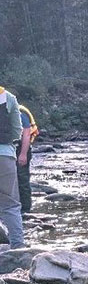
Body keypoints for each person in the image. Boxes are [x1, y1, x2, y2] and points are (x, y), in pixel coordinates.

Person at [0, 86, 26, 249]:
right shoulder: (8, 97)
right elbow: (17, 131)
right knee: (10, 204)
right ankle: (18, 249)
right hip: (5, 156)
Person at [16, 103, 37, 215]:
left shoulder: (20, 113)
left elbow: (26, 134)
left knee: (22, 178)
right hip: (9, 149)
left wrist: (23, 154)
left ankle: (25, 209)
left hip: (21, 149)